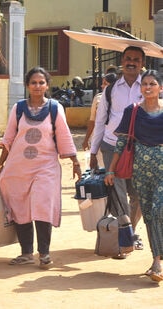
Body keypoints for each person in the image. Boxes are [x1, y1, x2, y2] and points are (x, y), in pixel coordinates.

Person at [0, 67, 81, 269]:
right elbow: (9, 138)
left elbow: (64, 137)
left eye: (41, 82)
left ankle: (44, 254)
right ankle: (26, 253)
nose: (37, 86)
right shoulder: (18, 109)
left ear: (47, 85)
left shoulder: (55, 108)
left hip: (46, 167)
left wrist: (75, 162)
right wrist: (1, 163)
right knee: (20, 207)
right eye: (33, 82)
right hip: (19, 168)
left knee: (42, 206)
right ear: (27, 85)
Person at [104, 69, 163, 282]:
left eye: (153, 84)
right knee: (150, 215)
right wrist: (111, 169)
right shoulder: (133, 111)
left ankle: (157, 260)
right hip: (141, 171)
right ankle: (157, 261)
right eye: (144, 84)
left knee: (158, 211)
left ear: (160, 88)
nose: (148, 87)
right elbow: (121, 142)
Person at [90, 46, 145, 257]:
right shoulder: (110, 90)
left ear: (142, 63)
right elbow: (100, 121)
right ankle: (124, 240)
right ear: (122, 60)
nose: (132, 62)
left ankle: (130, 230)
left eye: (136, 59)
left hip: (140, 147)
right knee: (119, 193)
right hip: (112, 145)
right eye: (128, 58)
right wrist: (94, 152)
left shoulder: (150, 86)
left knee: (138, 194)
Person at [82, 72, 118, 163]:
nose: (102, 86)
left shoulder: (121, 99)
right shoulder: (98, 98)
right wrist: (86, 139)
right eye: (102, 83)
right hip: (100, 138)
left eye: (105, 83)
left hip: (116, 140)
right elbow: (92, 121)